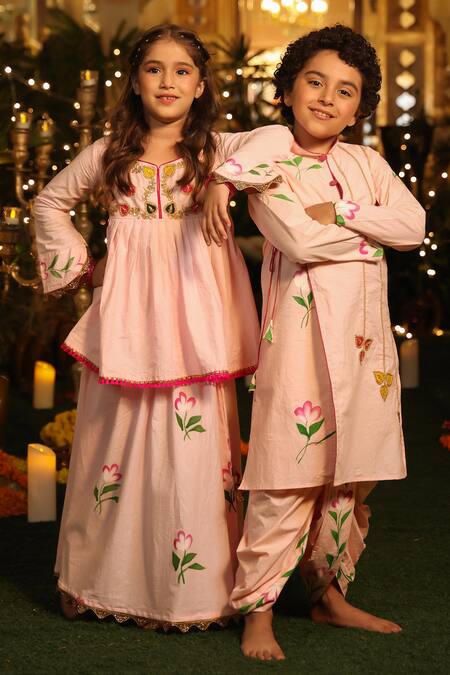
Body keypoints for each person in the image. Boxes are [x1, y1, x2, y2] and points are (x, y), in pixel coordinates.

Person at [33, 23, 292, 631]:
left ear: (201, 85)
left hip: (198, 324)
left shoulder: (217, 150)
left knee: (194, 447)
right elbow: (49, 202)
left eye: (182, 70)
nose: (167, 81)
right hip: (127, 323)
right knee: (111, 442)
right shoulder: (109, 153)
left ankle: (194, 593)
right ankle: (94, 580)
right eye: (154, 68)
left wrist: (222, 182)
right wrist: (82, 266)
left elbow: (279, 136)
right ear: (135, 81)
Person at [206, 24, 425, 658]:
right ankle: (258, 609)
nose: (328, 98)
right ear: (287, 90)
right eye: (315, 81)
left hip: (364, 348)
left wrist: (347, 213)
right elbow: (298, 240)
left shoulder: (367, 165)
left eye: (345, 90)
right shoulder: (268, 162)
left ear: (359, 109)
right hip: (298, 346)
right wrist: (370, 241)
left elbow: (413, 226)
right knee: (287, 473)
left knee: (351, 477)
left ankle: (329, 596)